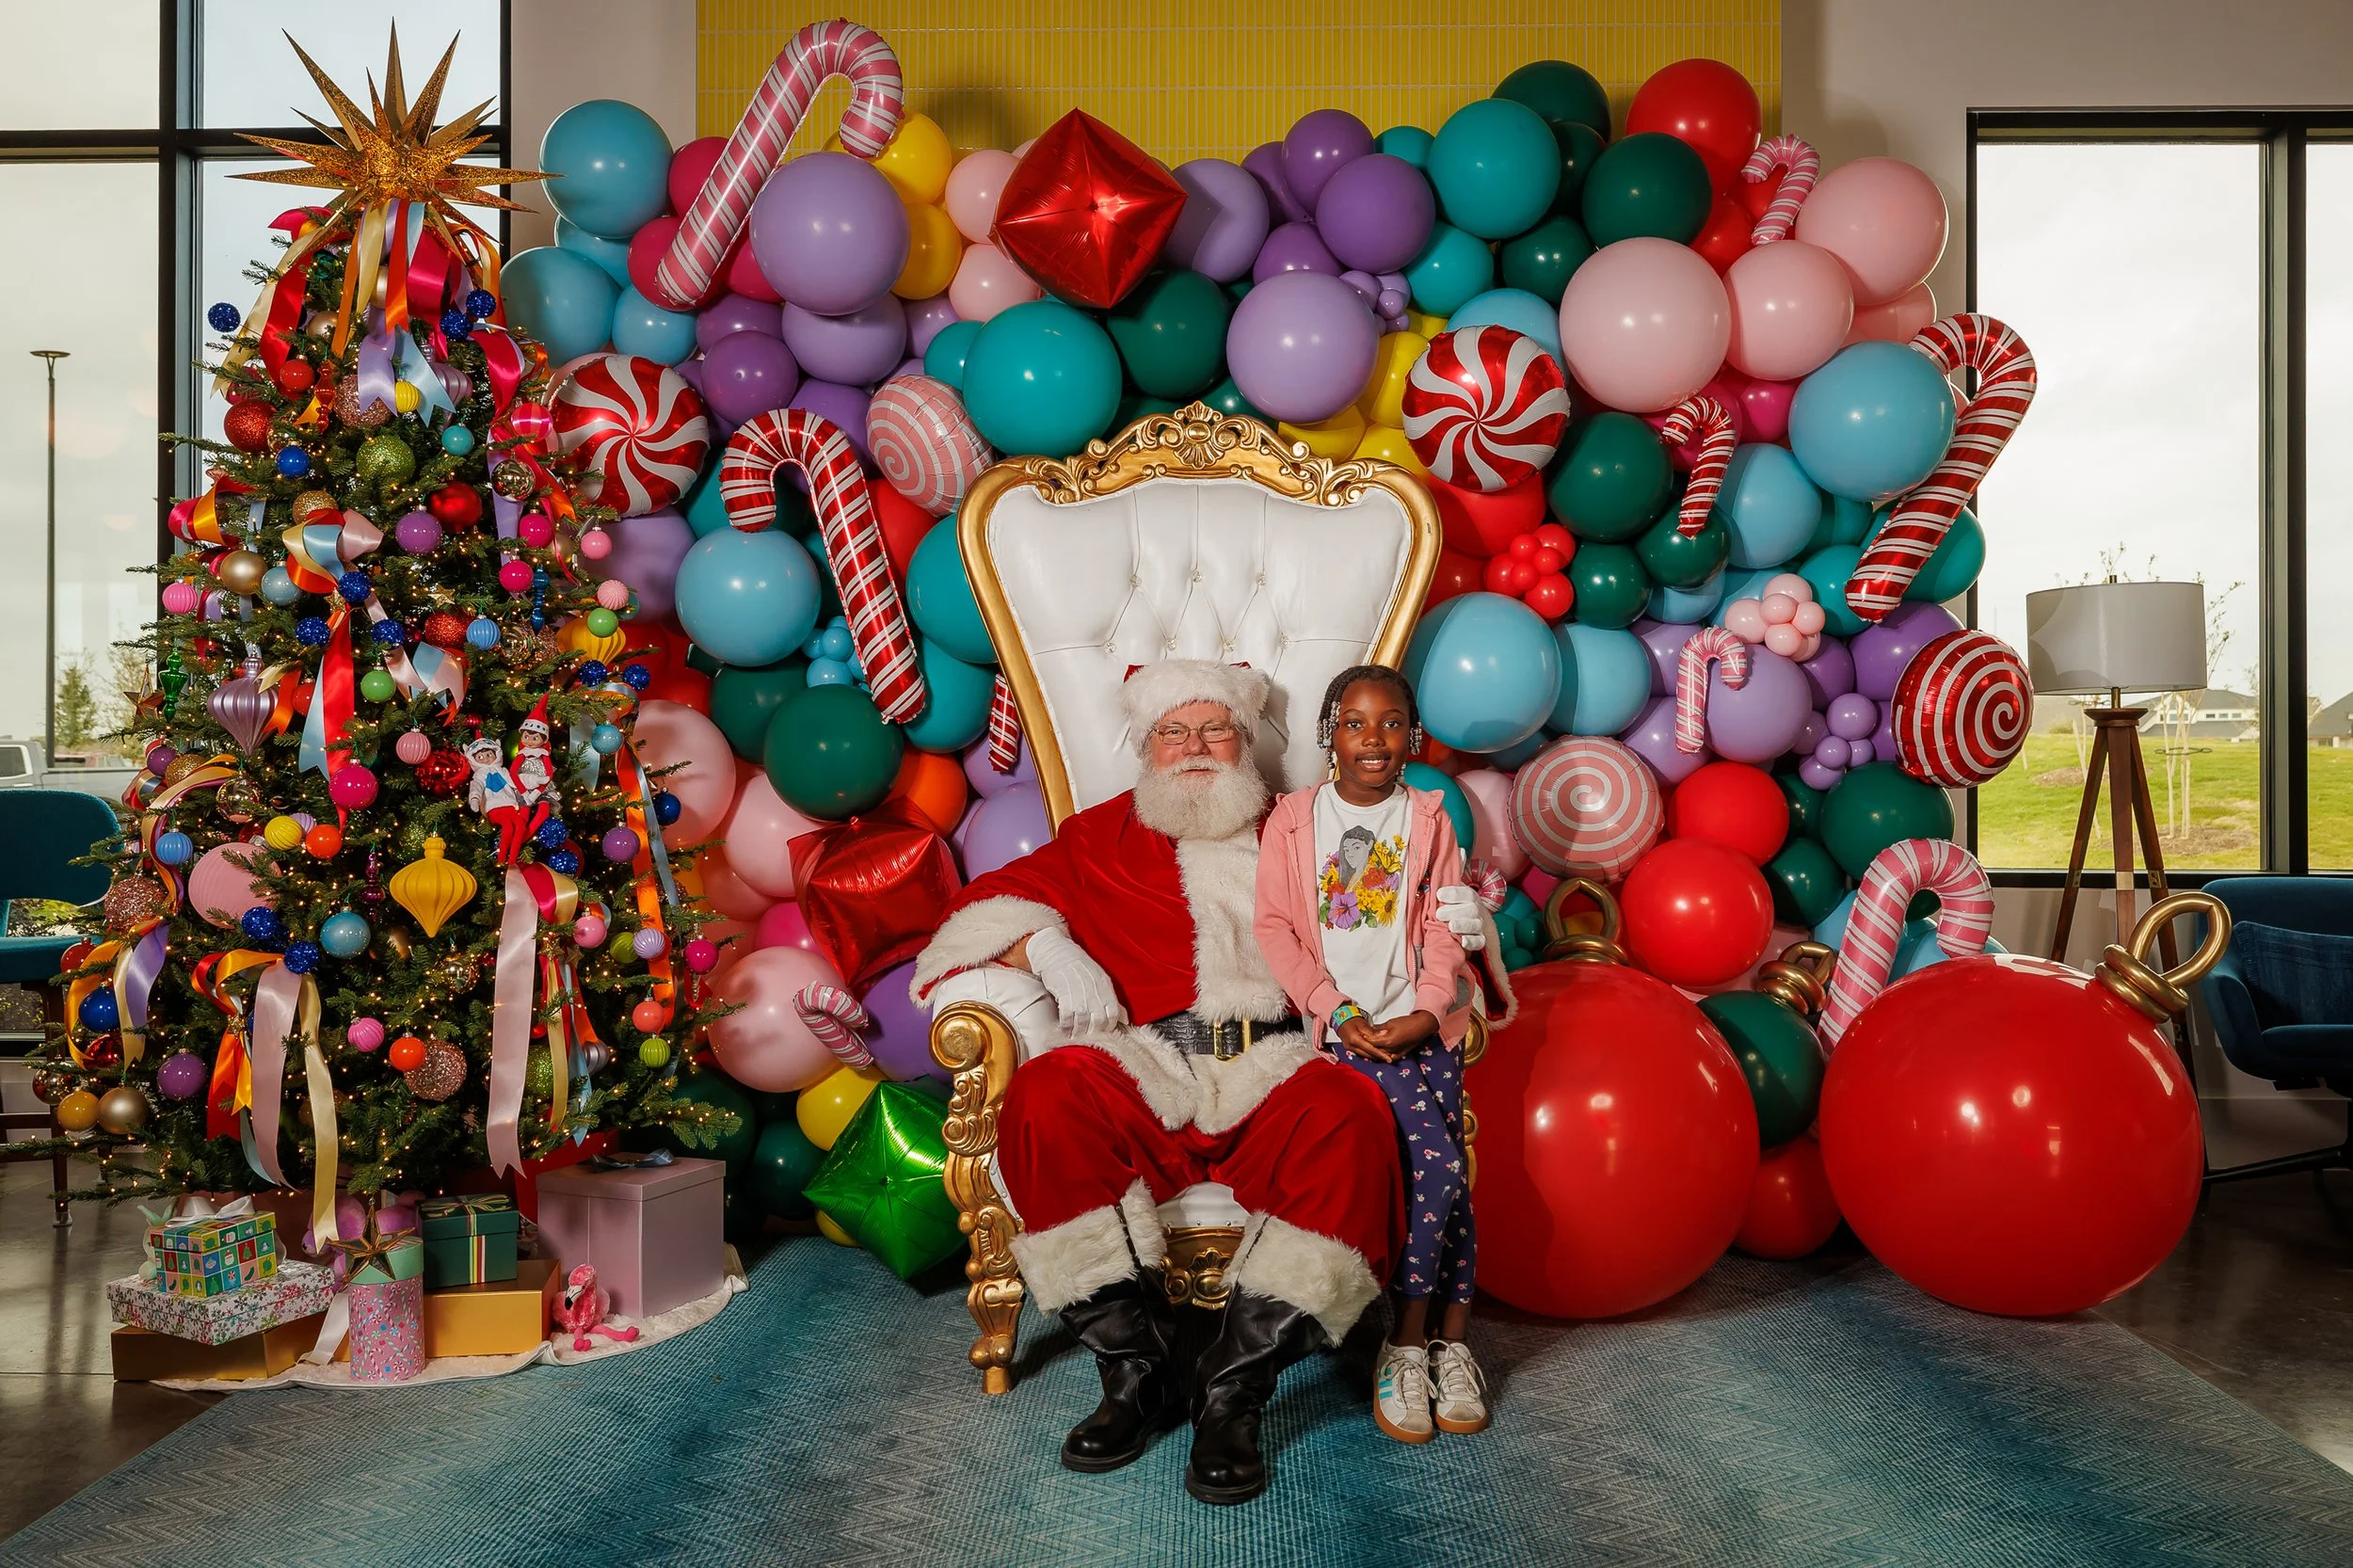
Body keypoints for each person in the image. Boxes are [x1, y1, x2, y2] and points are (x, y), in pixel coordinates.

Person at [911, 659, 1482, 1506]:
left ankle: (1231, 1389)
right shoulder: (1100, 836)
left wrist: (1456, 918)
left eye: (1214, 728)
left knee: (1353, 1115)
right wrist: (1047, 948)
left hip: (1278, 1061)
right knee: (1046, 1093)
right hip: (1152, 1065)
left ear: (1245, 742)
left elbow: (1399, 904)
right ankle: (1134, 1373)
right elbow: (974, 915)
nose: (1194, 748)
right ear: (1145, 748)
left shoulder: (1302, 827)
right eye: (1172, 732)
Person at [1255, 664, 1502, 1445]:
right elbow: (1275, 930)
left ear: (1412, 736)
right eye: (1355, 723)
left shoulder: (1428, 819)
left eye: (1391, 723)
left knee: (1448, 1176)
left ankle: (1446, 1347)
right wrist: (1338, 1013)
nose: (1374, 739)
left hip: (1425, 1028)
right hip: (1350, 1036)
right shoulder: (1294, 820)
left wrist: (1428, 1013)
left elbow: (1444, 931)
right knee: (1437, 1168)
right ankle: (1409, 1347)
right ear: (1331, 734)